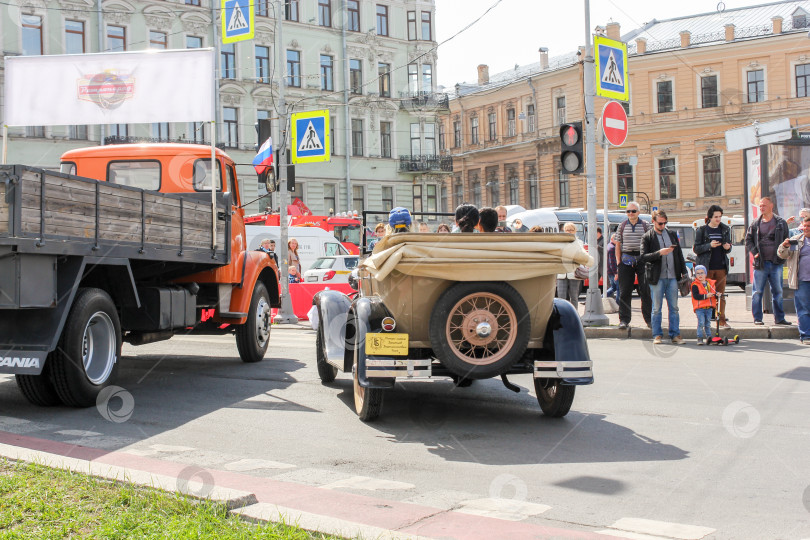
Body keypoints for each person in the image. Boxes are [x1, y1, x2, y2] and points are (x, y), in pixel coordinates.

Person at [639, 209, 688, 345]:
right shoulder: (647, 236)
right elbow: (643, 257)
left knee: (674, 308)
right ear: (653, 222)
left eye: (665, 223)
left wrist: (684, 271)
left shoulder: (672, 234)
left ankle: (675, 335)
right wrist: (659, 253)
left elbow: (679, 254)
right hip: (657, 277)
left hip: (672, 276)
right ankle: (657, 335)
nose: (663, 226)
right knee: (656, 308)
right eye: (660, 223)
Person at [745, 196, 792, 326]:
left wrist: (786, 248)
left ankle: (779, 318)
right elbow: (748, 240)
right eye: (760, 206)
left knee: (778, 292)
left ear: (771, 206)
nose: (761, 208)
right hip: (760, 263)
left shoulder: (781, 222)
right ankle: (757, 318)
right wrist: (755, 253)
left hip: (776, 263)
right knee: (757, 292)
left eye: (764, 205)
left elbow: (786, 239)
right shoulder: (755, 223)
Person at [693, 205, 732, 328]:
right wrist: (709, 245)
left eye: (720, 216)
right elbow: (696, 249)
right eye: (716, 217)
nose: (718, 219)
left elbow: (728, 248)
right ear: (710, 217)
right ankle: (706, 321)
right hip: (707, 268)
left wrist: (728, 247)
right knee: (707, 295)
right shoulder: (702, 230)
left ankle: (721, 320)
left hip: (721, 266)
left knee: (721, 295)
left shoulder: (725, 229)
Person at [615, 201, 652, 330]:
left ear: (638, 212)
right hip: (626, 259)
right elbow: (618, 244)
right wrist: (618, 262)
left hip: (642, 259)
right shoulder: (622, 225)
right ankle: (624, 320)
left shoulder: (646, 225)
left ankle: (649, 319)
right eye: (628, 211)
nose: (630, 213)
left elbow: (651, 243)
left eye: (633, 211)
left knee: (645, 290)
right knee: (625, 291)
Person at [777, 216, 810, 344]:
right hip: (802, 280)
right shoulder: (797, 240)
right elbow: (782, 254)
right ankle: (806, 335)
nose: (806, 229)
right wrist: (784, 246)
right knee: (803, 308)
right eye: (804, 226)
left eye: (808, 226)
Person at [556, 222, 583, 310]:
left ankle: (575, 315)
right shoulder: (559, 242)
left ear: (575, 231)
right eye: (567, 230)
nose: (569, 232)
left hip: (574, 273)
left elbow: (581, 256)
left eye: (571, 230)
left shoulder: (579, 243)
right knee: (561, 297)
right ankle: (561, 315)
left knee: (574, 297)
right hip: (561, 273)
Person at [691, 265, 717, 345]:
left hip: (708, 307)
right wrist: (706, 296)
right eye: (698, 273)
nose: (700, 275)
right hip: (700, 308)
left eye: (702, 273)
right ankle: (700, 338)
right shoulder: (695, 285)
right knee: (701, 323)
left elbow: (713, 293)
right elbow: (696, 296)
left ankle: (709, 338)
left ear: (705, 274)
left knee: (707, 323)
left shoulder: (709, 283)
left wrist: (716, 294)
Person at [606, 233, 619, 301]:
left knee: (613, 288)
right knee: (619, 288)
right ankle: (618, 304)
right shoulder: (612, 248)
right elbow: (612, 262)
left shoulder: (608, 246)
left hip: (609, 271)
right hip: (613, 271)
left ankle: (600, 298)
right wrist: (616, 273)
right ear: (612, 239)